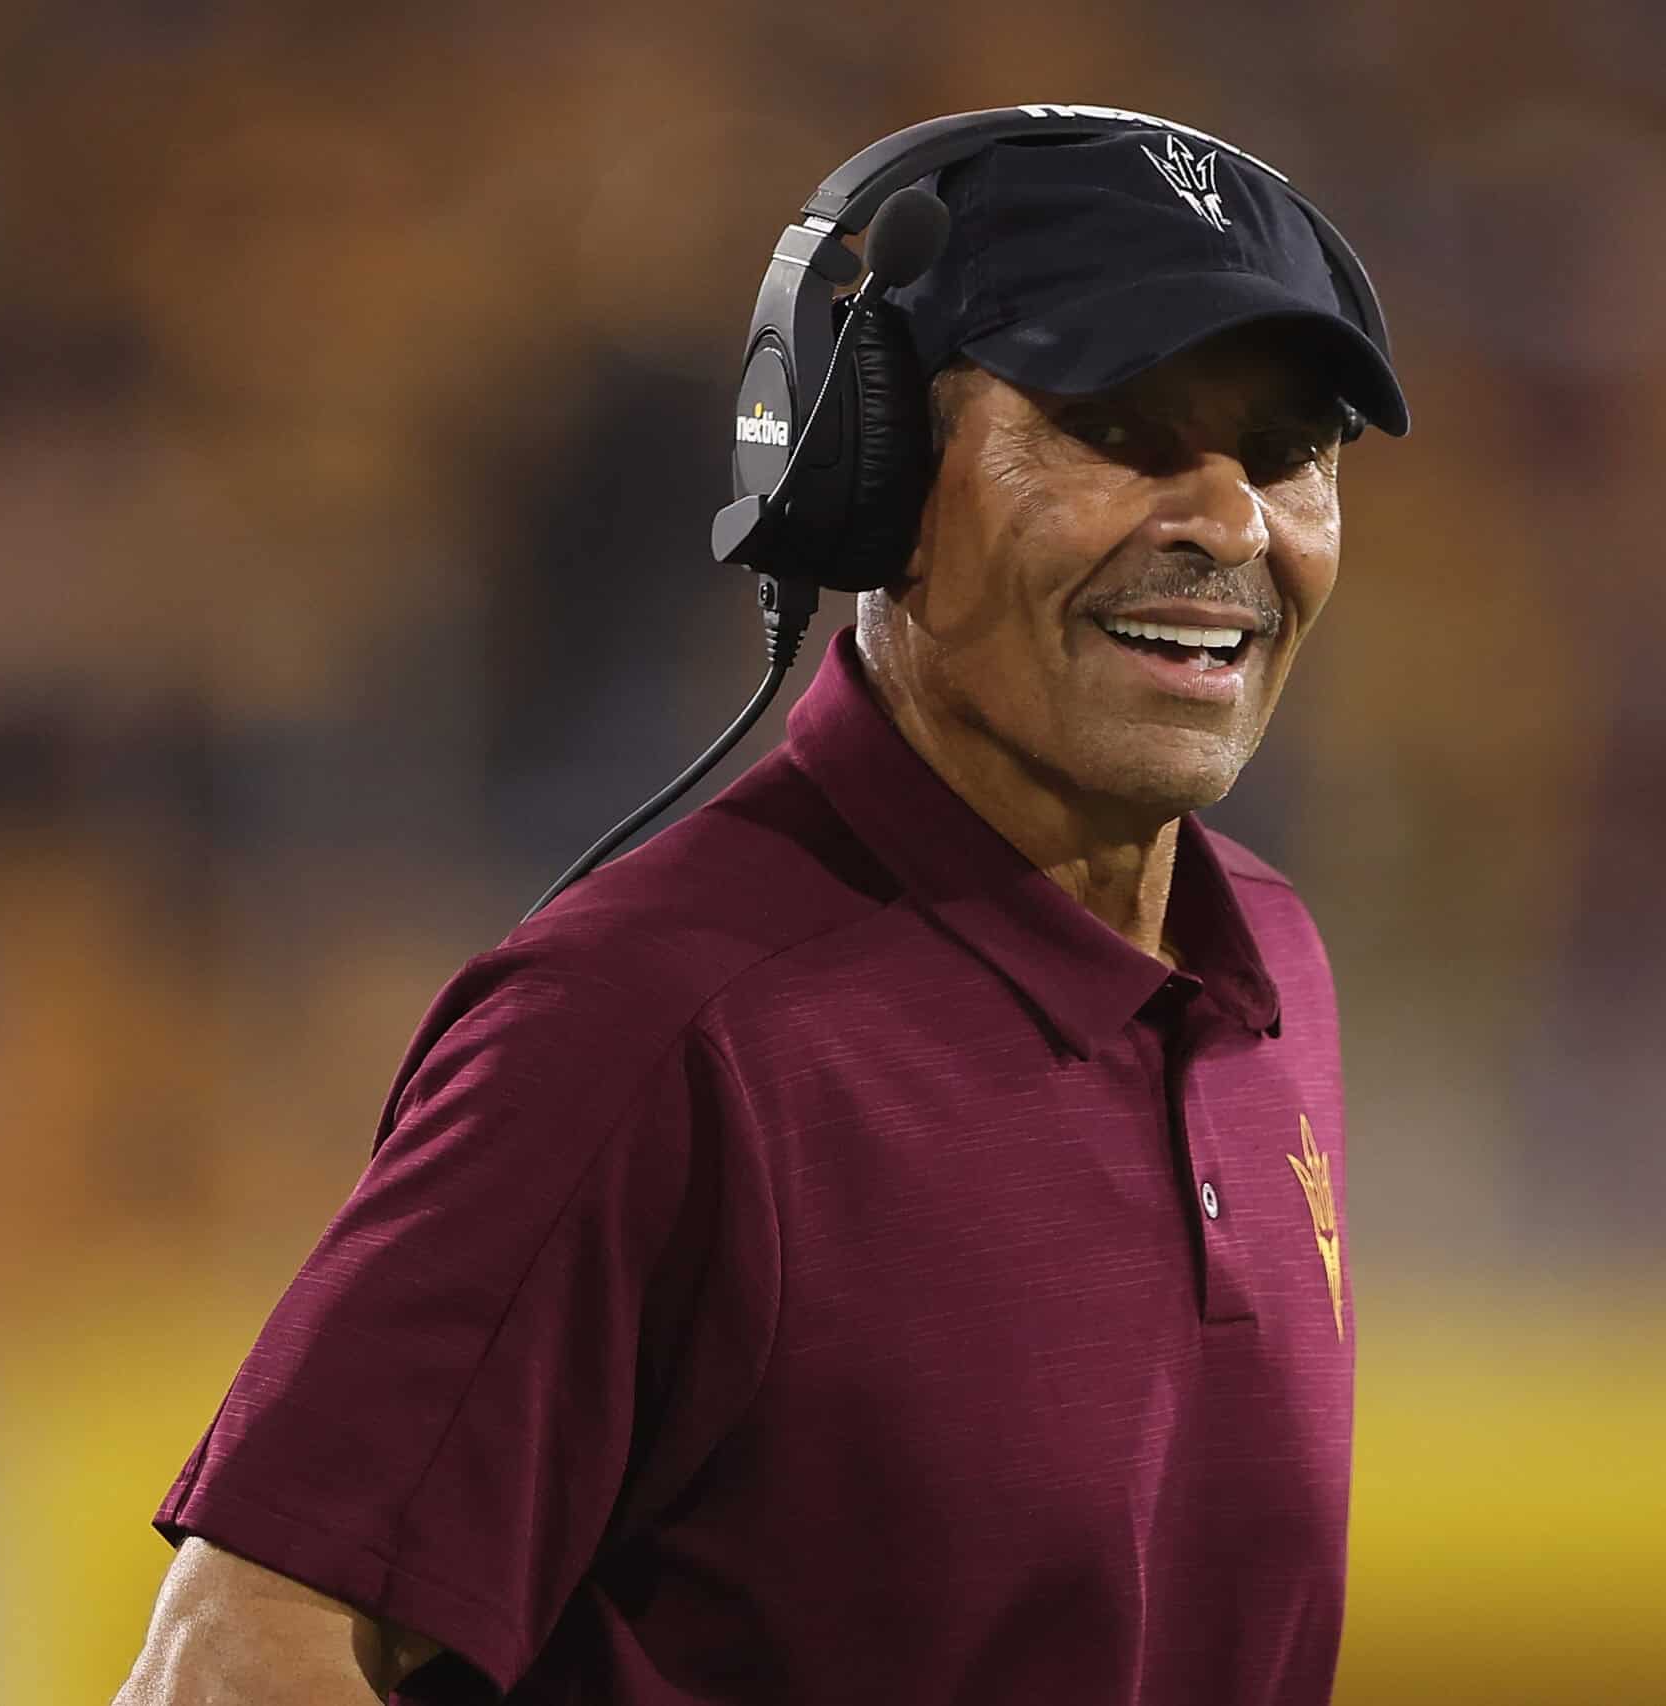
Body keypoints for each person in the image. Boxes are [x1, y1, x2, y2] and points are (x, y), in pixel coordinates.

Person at [115, 113, 1410, 1706]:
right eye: (1123, 433)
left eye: (1287, 456)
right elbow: (238, 1660)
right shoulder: (647, 1027)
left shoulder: (1269, 959)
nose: (1229, 526)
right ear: (865, 477)